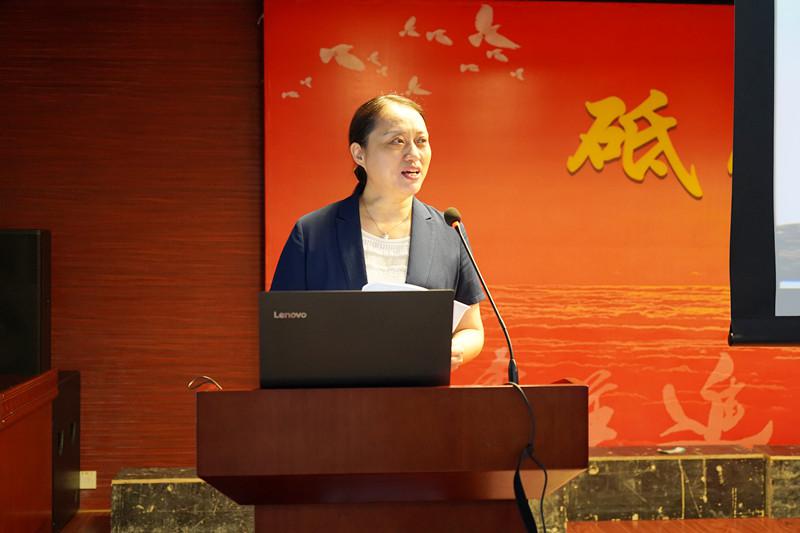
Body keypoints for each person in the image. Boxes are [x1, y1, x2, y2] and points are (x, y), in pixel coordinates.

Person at [271, 94, 485, 368]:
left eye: (421, 141)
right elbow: (281, 331)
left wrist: (455, 349)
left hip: (421, 391)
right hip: (334, 391)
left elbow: (471, 329)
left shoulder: (449, 232)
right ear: (359, 154)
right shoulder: (312, 233)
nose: (414, 154)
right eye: (397, 141)